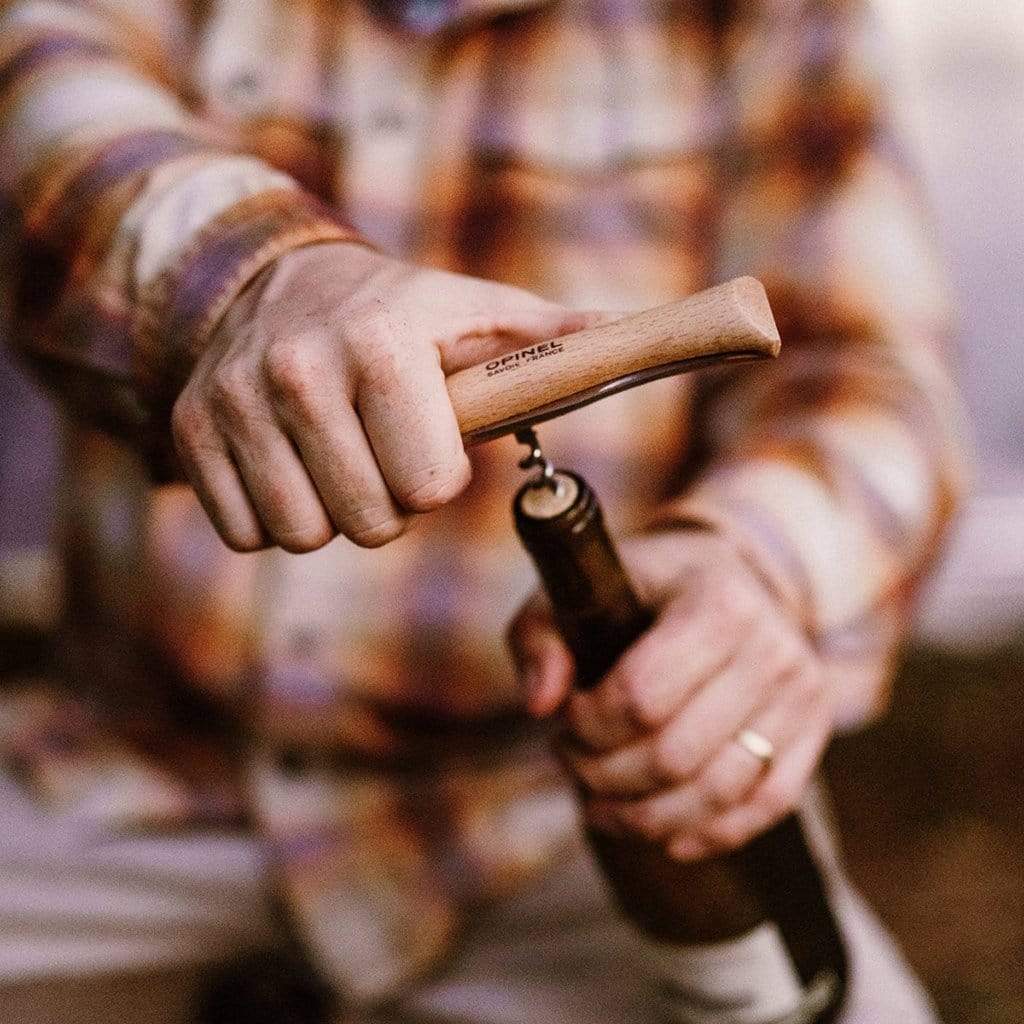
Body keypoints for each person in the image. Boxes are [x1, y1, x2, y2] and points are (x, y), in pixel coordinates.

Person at [0, 0, 966, 1021]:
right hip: (130, 778)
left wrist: (753, 563)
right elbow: (43, 99)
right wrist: (254, 279)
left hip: (547, 816)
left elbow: (871, 383)